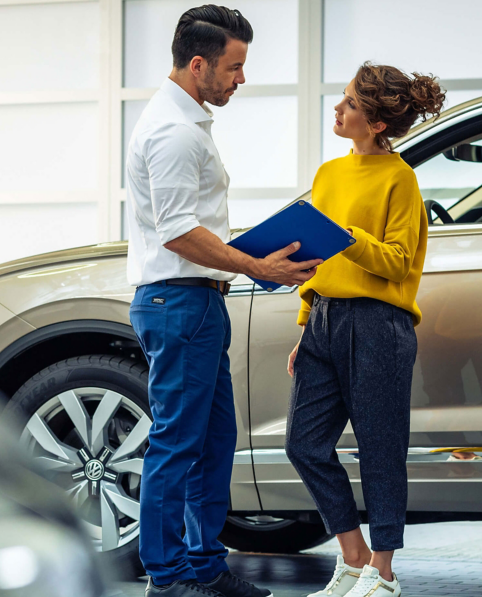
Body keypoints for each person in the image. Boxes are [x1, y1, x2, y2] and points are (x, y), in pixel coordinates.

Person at [125, 6, 323, 597]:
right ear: (197, 64)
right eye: (234, 67)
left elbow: (189, 227)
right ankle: (167, 577)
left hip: (197, 303)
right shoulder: (173, 133)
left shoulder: (188, 123)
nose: (241, 79)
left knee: (213, 443)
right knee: (177, 442)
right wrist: (258, 265)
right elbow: (178, 232)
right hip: (178, 303)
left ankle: (206, 566)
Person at [284, 62, 445, 597]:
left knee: (379, 447)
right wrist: (306, 324)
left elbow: (400, 263)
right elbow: (314, 256)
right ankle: (352, 556)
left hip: (379, 325)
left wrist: (348, 235)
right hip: (324, 319)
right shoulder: (329, 174)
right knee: (304, 444)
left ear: (376, 123)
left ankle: (384, 572)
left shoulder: (401, 179)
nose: (339, 107)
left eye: (350, 102)